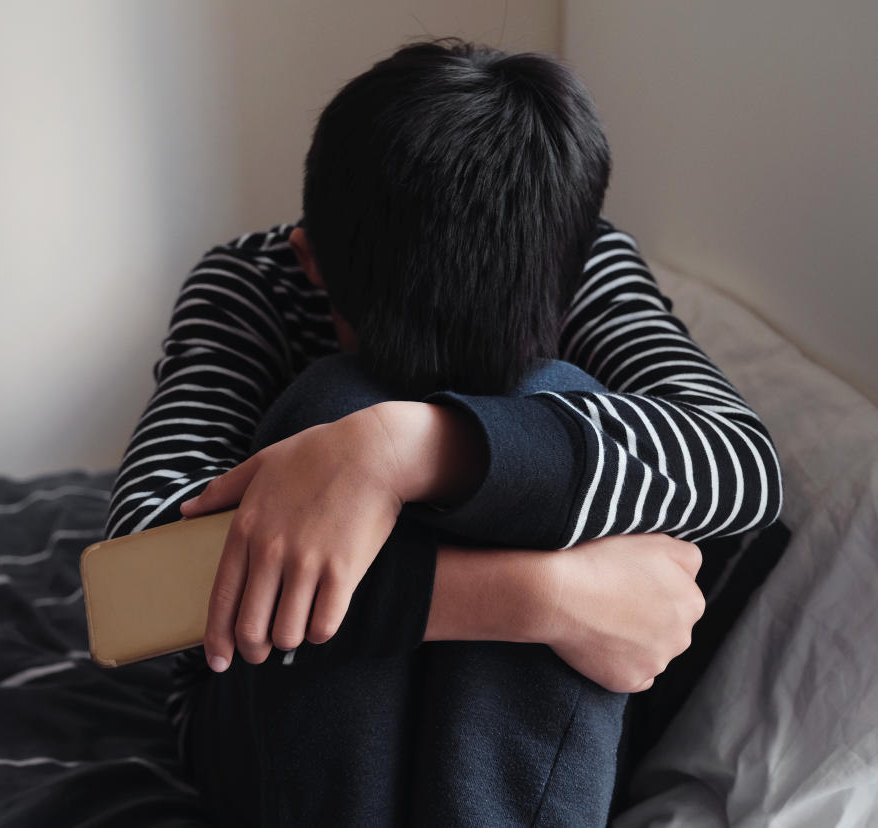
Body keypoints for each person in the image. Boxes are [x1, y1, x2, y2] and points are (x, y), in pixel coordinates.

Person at [106, 40, 781, 826]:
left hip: (524, 756)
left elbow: (741, 462)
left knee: (548, 399)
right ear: (310, 260)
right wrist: (545, 599)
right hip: (275, 742)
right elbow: (129, 587)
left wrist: (404, 450)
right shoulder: (252, 285)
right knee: (339, 397)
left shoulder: (579, 255)